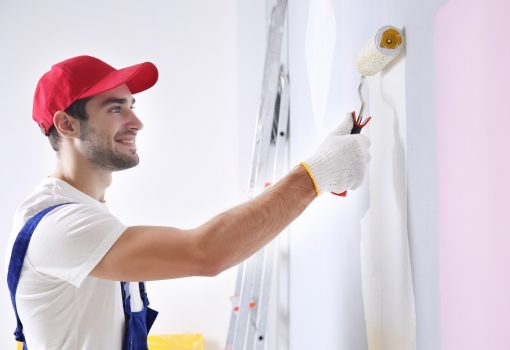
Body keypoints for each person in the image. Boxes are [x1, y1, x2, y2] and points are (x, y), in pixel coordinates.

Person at [4, 55, 370, 349]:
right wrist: (316, 175)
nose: (137, 122)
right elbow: (204, 253)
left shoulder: (88, 212)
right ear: (66, 124)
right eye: (115, 109)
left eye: (131, 105)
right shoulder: (58, 226)